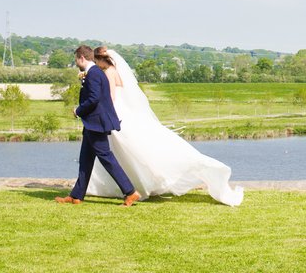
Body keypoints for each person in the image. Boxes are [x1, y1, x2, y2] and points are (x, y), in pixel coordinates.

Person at [85, 46, 244, 206]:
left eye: (96, 61)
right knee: (124, 151)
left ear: (101, 60)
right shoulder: (116, 71)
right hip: (124, 112)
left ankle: (135, 185)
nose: (96, 65)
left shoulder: (108, 73)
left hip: (116, 113)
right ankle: (133, 184)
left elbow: (111, 97)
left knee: (125, 150)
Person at [55, 45, 141, 206]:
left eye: (76, 60)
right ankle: (76, 196)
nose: (76, 63)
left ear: (82, 58)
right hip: (92, 123)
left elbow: (94, 98)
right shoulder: (94, 73)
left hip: (96, 123)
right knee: (85, 160)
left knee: (106, 158)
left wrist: (78, 110)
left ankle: (130, 192)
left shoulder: (94, 74)